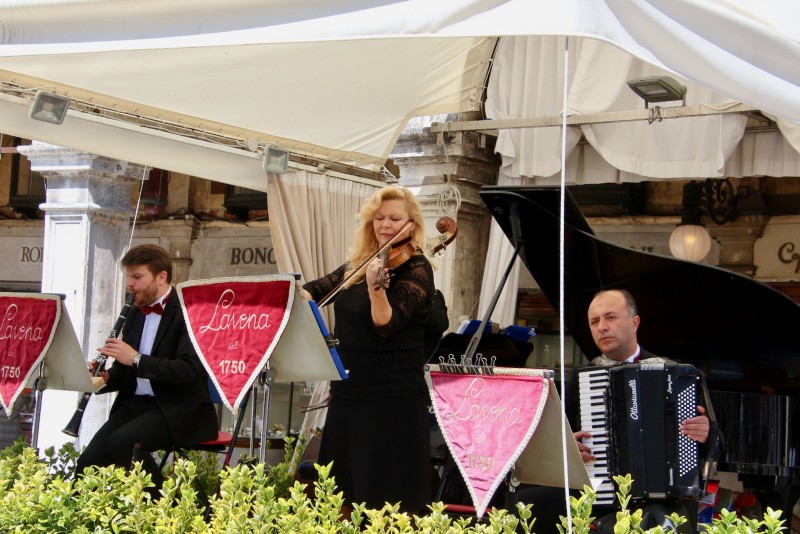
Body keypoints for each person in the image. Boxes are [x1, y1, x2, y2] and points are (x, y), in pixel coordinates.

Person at [509, 289, 713, 534]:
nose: (602, 327)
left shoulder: (677, 375)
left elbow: (717, 442)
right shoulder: (583, 378)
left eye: (610, 318)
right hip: (597, 488)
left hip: (662, 495)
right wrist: (569, 449)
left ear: (634, 322)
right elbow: (559, 438)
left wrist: (706, 433)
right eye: (594, 321)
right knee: (523, 504)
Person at [302, 185, 435, 516]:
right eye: (379, 218)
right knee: (340, 497)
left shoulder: (417, 268)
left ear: (411, 223)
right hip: (349, 393)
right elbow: (312, 292)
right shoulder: (356, 267)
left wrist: (378, 290)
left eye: (394, 218)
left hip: (392, 400)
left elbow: (387, 325)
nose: (386, 225)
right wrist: (287, 293)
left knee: (386, 501)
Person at [76, 244, 218, 498]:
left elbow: (189, 371)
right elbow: (126, 368)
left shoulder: (190, 313)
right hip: (137, 405)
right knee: (89, 462)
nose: (129, 284)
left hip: (177, 407)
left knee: (123, 442)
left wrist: (137, 359)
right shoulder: (134, 314)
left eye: (137, 277)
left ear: (161, 276)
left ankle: (167, 513)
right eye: (128, 276)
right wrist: (106, 376)